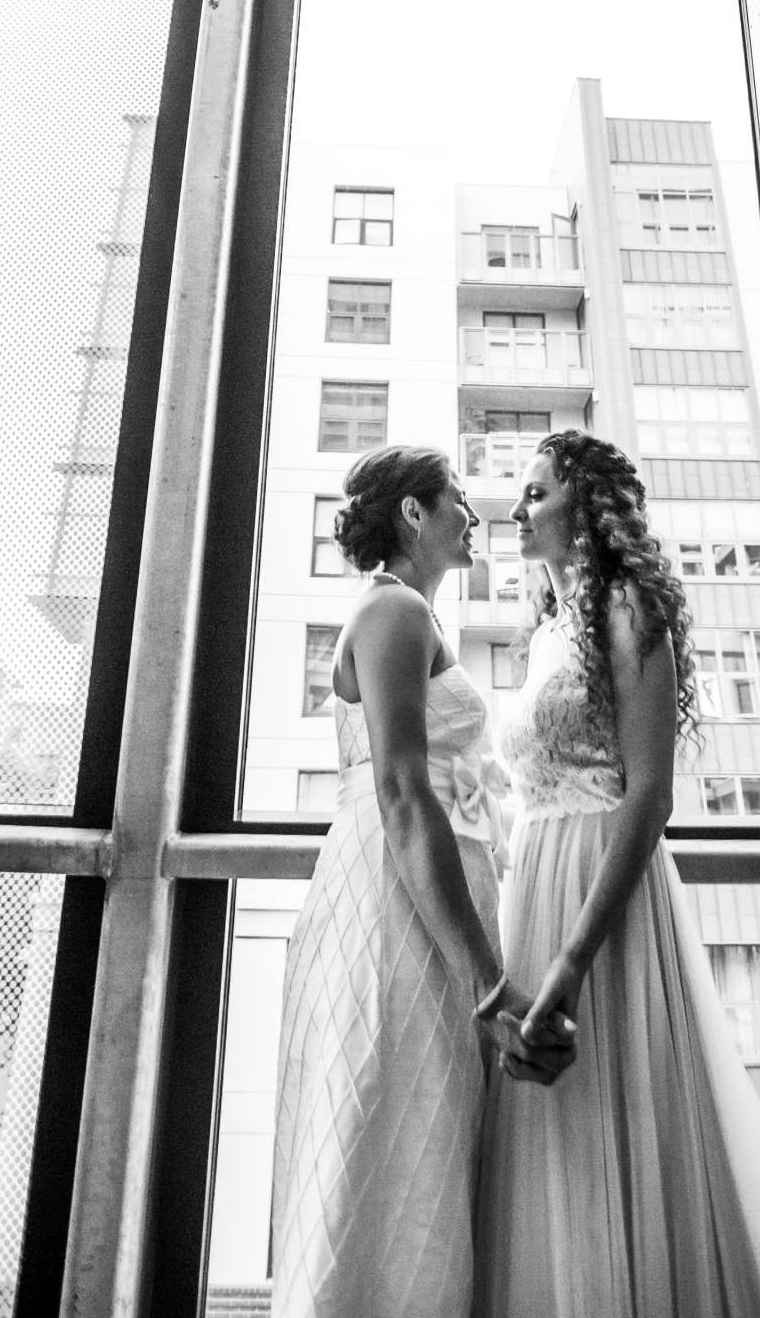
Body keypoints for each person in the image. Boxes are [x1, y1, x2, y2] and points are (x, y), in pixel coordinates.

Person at [475, 429, 760, 1318]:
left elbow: (648, 798)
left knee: (626, 1118)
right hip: (533, 882)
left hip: (603, 901)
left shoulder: (629, 612)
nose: (517, 510)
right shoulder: (545, 634)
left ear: (587, 508)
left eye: (536, 493)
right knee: (552, 1141)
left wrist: (572, 959)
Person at [271, 444, 575, 1318]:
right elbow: (404, 795)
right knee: (403, 1135)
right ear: (412, 513)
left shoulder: (410, 617)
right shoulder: (395, 612)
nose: (473, 519)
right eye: (455, 503)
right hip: (397, 908)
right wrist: (489, 982)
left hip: (421, 896)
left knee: (416, 1138)